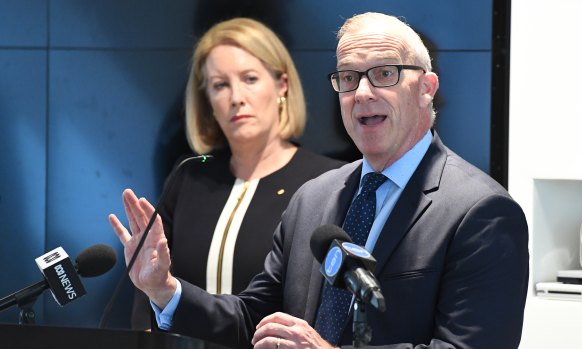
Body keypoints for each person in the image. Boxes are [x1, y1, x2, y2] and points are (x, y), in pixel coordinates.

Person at [110, 12, 529, 348]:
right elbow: (254, 321)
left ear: (427, 88)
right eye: (348, 77)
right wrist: (164, 289)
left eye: (384, 73)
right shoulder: (314, 198)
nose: (362, 92)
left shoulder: (482, 212)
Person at [128, 17, 345, 329]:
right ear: (208, 101)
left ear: (281, 85)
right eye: (220, 85)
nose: (236, 97)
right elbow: (146, 304)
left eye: (250, 79)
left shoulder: (328, 181)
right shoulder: (187, 177)